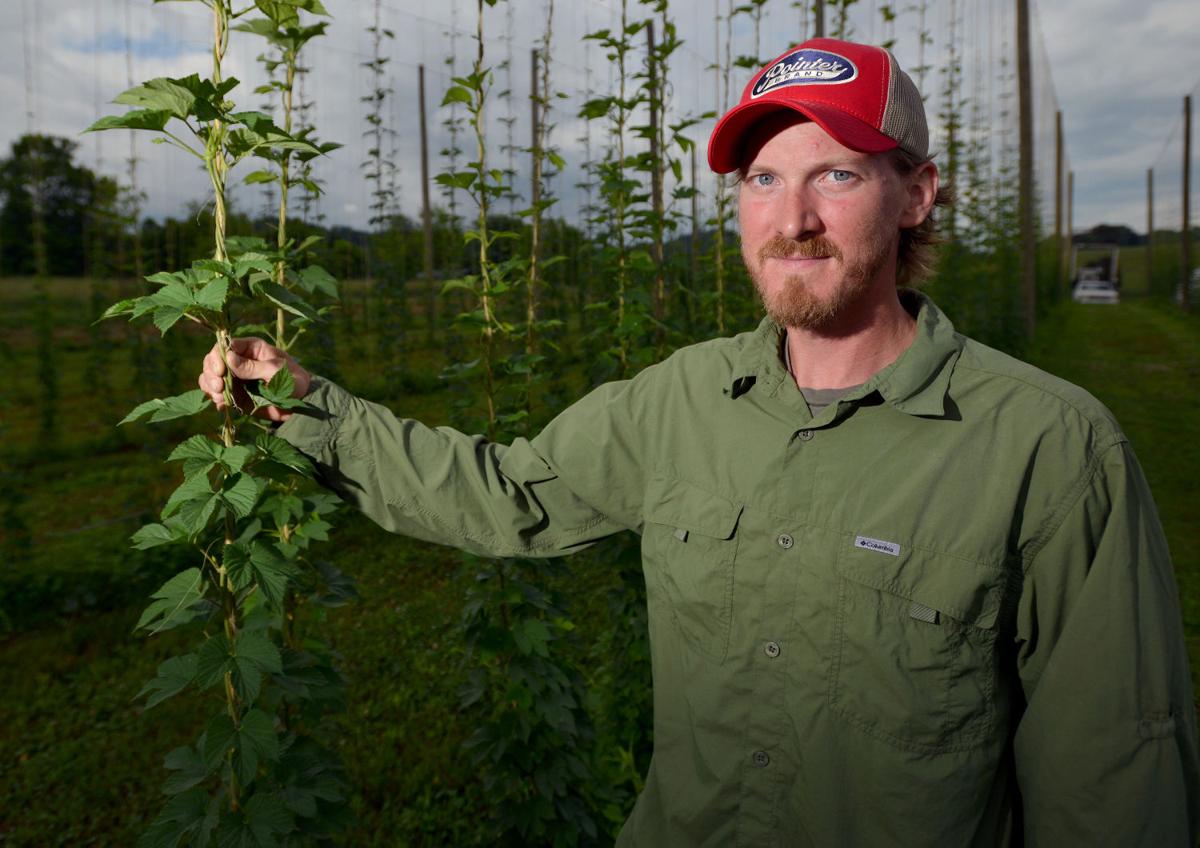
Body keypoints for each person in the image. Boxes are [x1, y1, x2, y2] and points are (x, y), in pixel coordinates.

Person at [200, 37, 1198, 847]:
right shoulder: (682, 400)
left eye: (835, 175)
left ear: (918, 192)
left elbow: (1112, 773)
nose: (791, 219)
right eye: (762, 178)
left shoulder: (1050, 448)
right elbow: (508, 494)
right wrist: (307, 401)